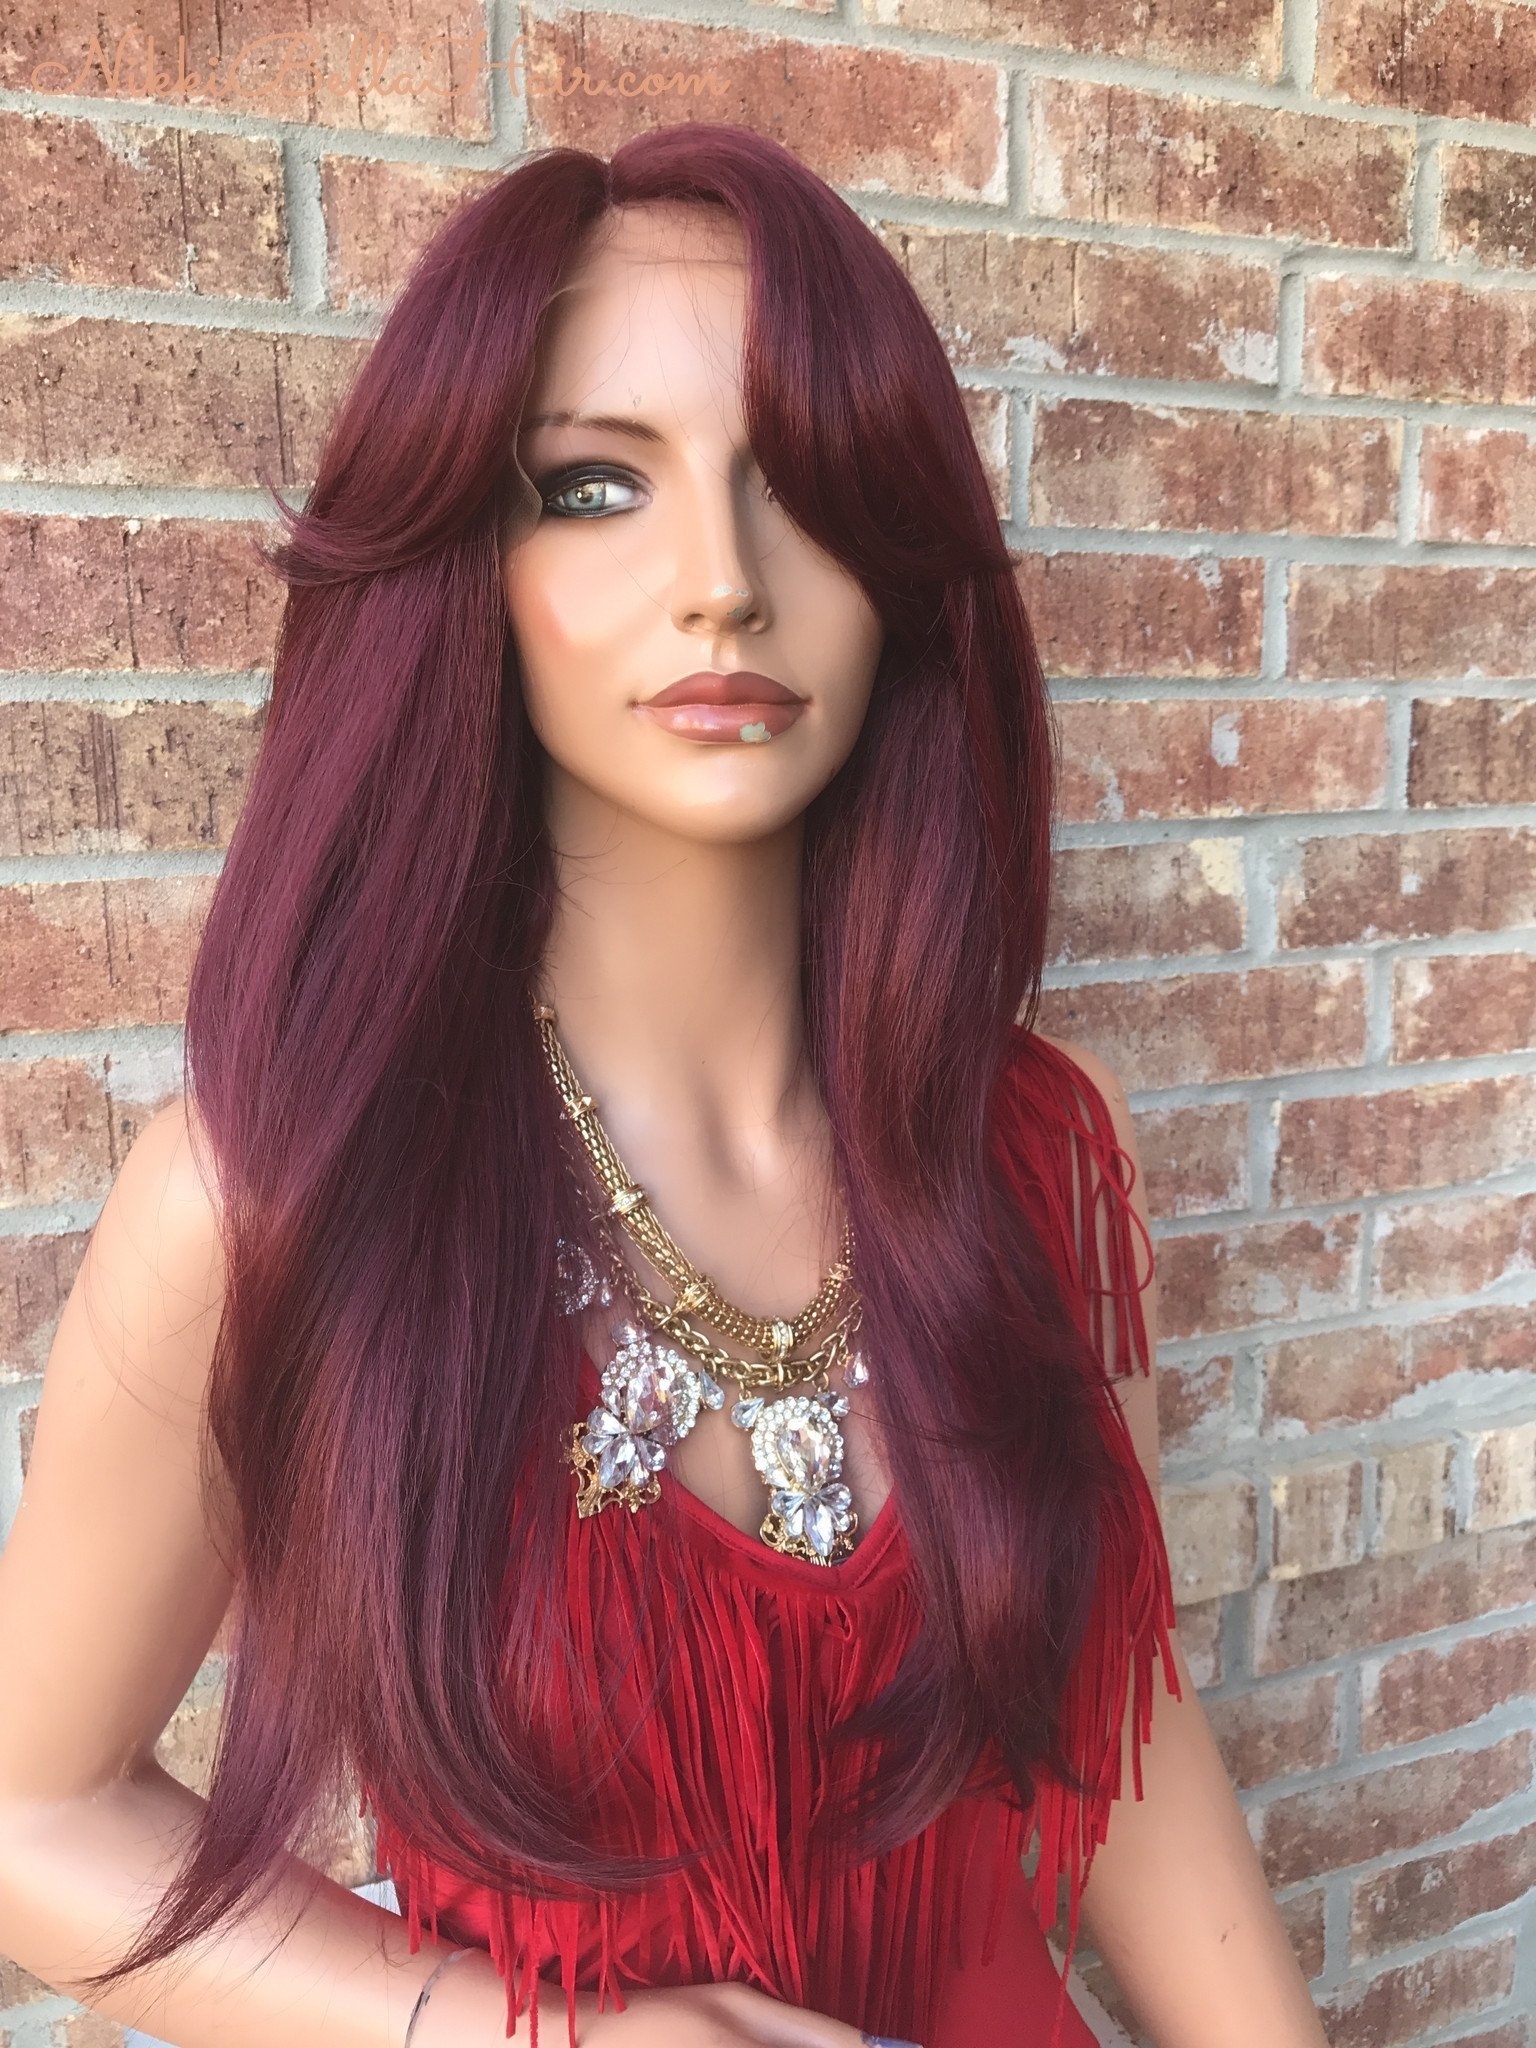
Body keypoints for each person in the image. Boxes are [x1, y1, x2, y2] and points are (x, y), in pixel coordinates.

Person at [0, 127, 1329, 2048]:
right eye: (596, 486)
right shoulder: (279, 1197)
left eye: (804, 487)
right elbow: (32, 1817)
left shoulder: (1040, 1154)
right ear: (467, 565)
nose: (723, 581)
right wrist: (553, 2039)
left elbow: (1113, 1700)